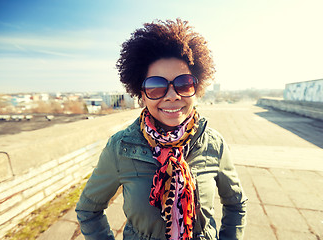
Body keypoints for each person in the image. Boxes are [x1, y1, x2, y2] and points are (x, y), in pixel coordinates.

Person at [75, 19, 247, 240]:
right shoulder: (120, 148)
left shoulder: (214, 144)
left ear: (197, 87)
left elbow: (236, 204)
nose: (172, 95)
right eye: (156, 86)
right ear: (141, 93)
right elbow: (88, 209)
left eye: (184, 84)